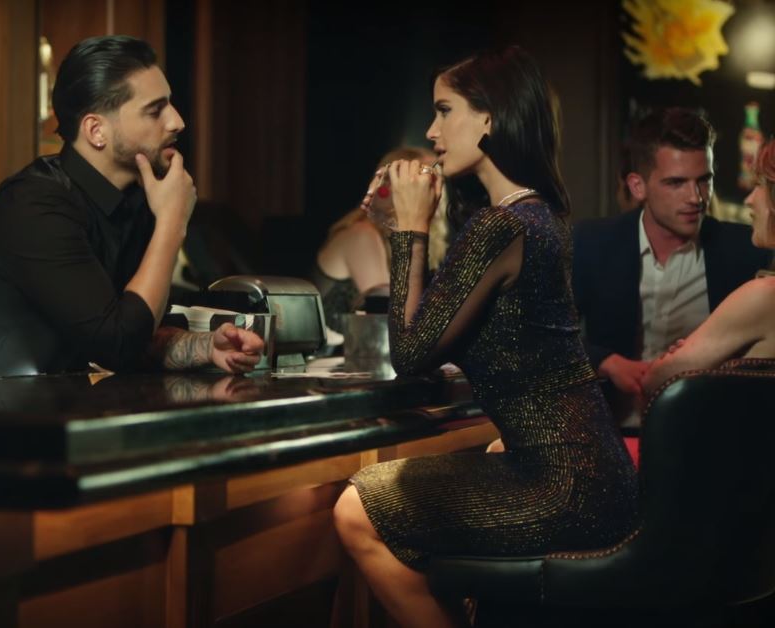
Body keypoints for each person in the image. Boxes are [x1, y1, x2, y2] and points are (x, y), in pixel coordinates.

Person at [332, 46, 637, 627]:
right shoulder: (539, 215)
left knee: (356, 509)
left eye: (444, 110)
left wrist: (410, 228)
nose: (431, 131)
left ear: (490, 118)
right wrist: (404, 229)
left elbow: (411, 353)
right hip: (593, 475)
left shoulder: (503, 225)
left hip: (565, 486)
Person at [0, 36, 262, 380]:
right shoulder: (35, 205)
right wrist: (172, 223)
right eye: (155, 110)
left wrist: (205, 347)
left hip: (27, 414)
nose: (177, 121)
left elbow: (132, 329)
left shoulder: (136, 202)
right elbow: (117, 344)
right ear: (96, 131)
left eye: (170, 103)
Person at [572, 108, 772, 412]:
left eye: (704, 180)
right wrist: (606, 362)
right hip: (611, 427)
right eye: (676, 183)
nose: (696, 197)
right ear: (637, 186)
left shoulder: (746, 249)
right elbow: (544, 334)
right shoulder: (592, 242)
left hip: (704, 431)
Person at [642, 138, 775, 394]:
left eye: (760, 185)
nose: (749, 199)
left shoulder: (765, 294)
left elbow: (657, 380)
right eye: (676, 183)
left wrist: (698, 355)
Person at [310, 146, 447, 334]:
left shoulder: (401, 239)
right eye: (425, 183)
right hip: (334, 352)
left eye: (440, 183)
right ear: (391, 187)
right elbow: (388, 313)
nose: (436, 193)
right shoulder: (362, 235)